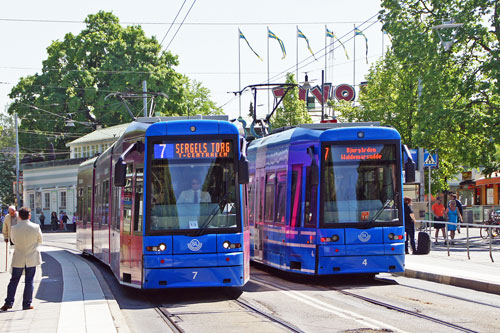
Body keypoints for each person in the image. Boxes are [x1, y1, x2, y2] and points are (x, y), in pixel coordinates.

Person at [1, 207, 42, 311]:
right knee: (29, 281)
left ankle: (8, 302)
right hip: (31, 257)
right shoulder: (36, 227)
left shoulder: (14, 228)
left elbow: (13, 241)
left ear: (19, 216)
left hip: (18, 257)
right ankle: (27, 304)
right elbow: (40, 240)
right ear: (29, 216)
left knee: (14, 280)